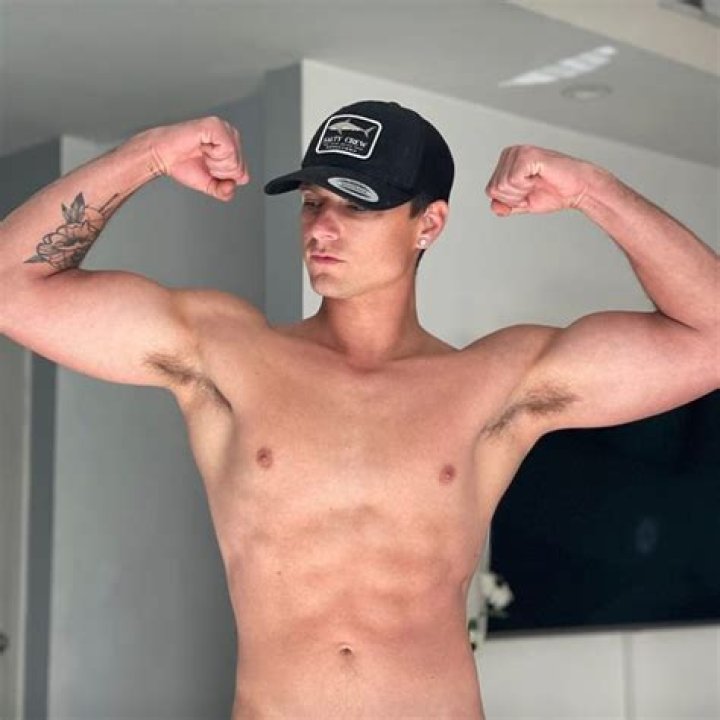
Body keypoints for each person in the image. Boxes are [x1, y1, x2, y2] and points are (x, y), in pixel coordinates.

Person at [0, 99, 717, 719]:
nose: (321, 227)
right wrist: (149, 154)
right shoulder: (228, 355)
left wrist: (593, 190)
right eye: (312, 201)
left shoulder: (492, 383)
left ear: (428, 224)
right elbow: (13, 291)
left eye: (356, 204)